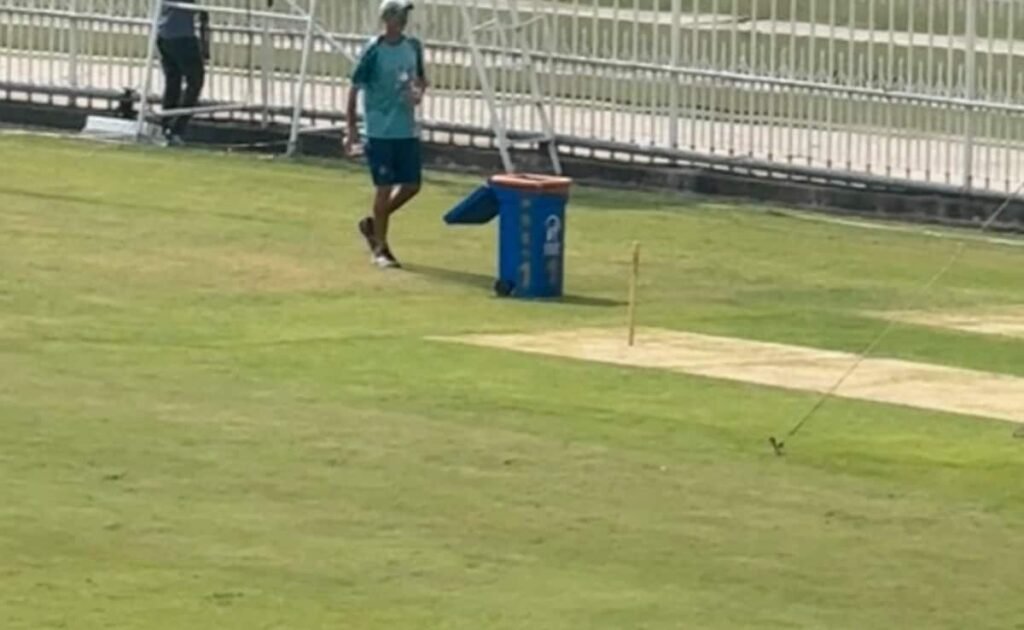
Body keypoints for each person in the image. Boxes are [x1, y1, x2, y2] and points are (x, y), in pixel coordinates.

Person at [345, 0, 428, 269]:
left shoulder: (413, 47)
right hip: (379, 130)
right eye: (400, 15)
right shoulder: (373, 51)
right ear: (388, 20)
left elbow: (421, 80)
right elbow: (354, 88)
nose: (404, 20)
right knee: (384, 188)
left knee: (412, 185)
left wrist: (417, 93)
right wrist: (352, 130)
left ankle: (374, 223)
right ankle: (380, 248)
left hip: (405, 129)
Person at [156, 0, 210, 146]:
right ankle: (176, 128)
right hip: (181, 36)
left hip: (164, 32)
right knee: (195, 81)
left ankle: (167, 125)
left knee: (173, 81)